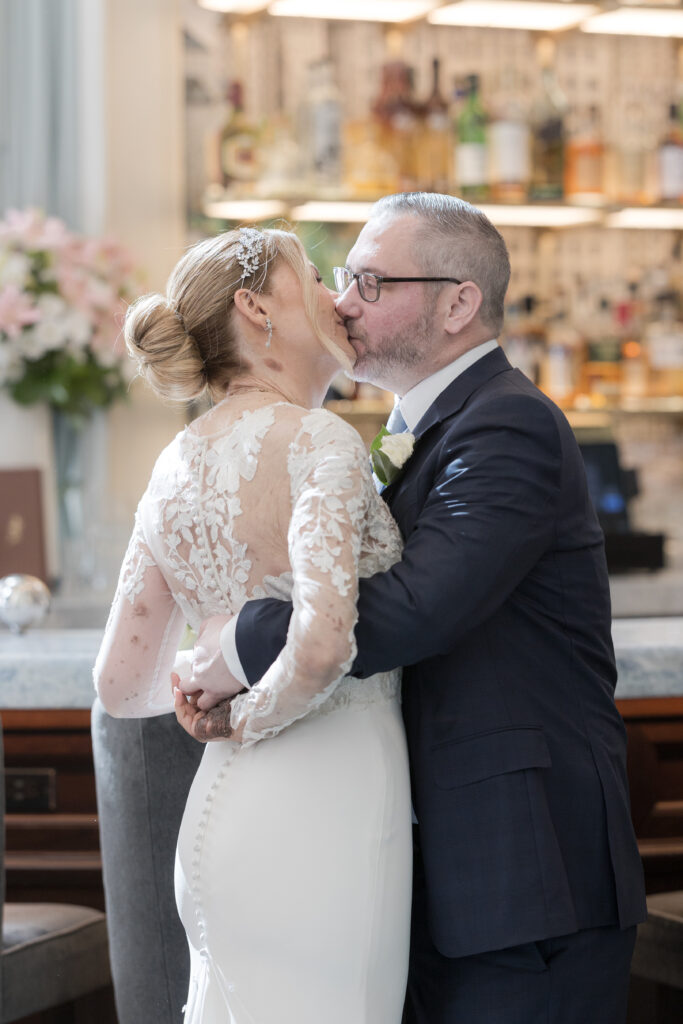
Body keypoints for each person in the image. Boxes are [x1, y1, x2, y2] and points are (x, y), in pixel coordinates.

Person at [180, 193, 648, 1024]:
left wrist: (234, 644)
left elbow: (412, 610)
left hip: (522, 870)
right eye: (341, 279)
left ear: (457, 303)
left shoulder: (509, 424)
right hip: (429, 869)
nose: (340, 302)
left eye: (368, 282)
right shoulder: (407, 432)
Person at [93, 225, 413, 1024]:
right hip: (330, 806)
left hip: (217, 820)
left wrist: (217, 692)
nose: (339, 297)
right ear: (255, 307)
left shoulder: (173, 464)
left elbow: (120, 683)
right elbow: (325, 636)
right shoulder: (317, 441)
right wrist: (253, 718)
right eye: (311, 275)